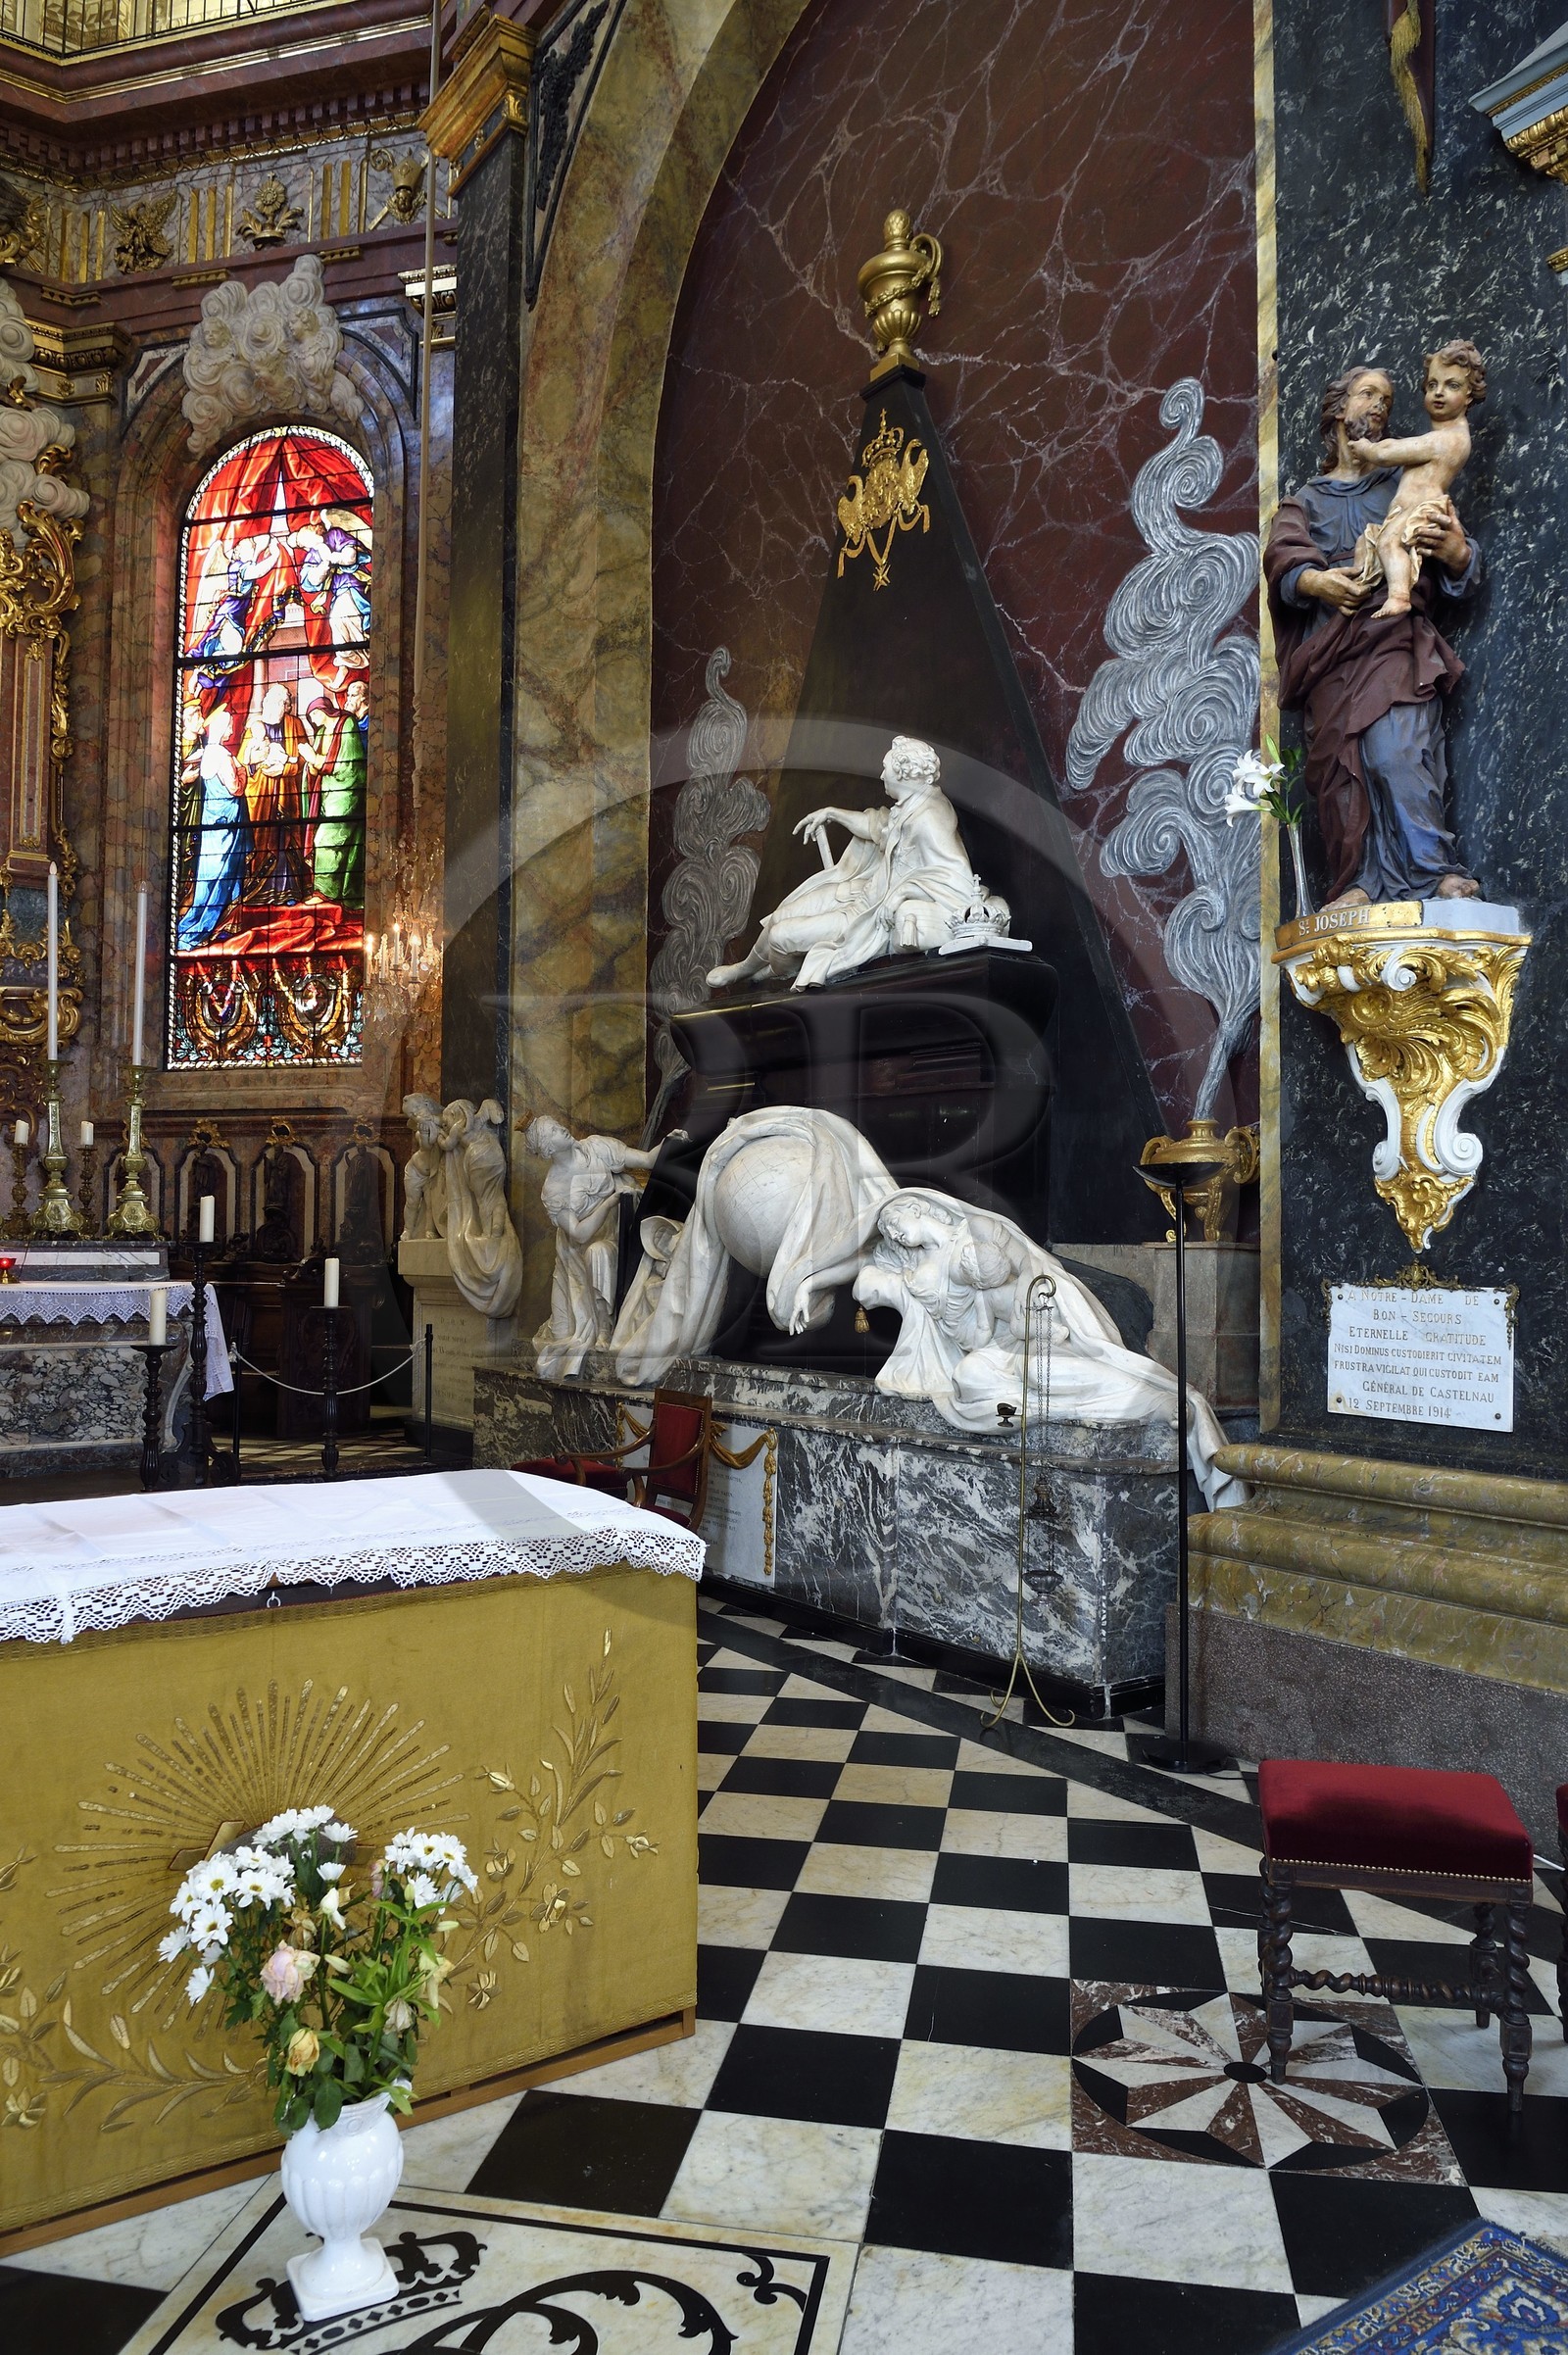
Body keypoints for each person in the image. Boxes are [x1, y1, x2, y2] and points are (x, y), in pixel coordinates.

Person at [1264, 363, 1482, 909]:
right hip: (1332, 650)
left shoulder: (1404, 480)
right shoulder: (1304, 502)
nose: (1380, 407)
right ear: (1339, 409)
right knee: (1342, 765)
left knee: (1398, 751)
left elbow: (1454, 551)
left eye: (1386, 399)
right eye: (1367, 395)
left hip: (1392, 638)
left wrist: (1457, 554)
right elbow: (1284, 562)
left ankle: (1433, 871)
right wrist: (1319, 582)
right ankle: (1357, 880)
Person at [706, 734, 996, 991]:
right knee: (782, 915)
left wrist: (901, 893)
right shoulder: (912, 804)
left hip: (866, 920)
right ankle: (744, 968)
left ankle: (773, 970)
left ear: (903, 773)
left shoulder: (929, 818)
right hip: (860, 893)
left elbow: (956, 879)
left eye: (886, 768)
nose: (881, 774)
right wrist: (833, 812)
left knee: (781, 936)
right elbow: (877, 826)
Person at [1354, 340, 1486, 619]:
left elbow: (1391, 451)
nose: (1438, 393)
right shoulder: (1441, 436)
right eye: (1432, 385)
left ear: (1469, 396)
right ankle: (1359, 589)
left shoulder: (1449, 439)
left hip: (1422, 510)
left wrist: (1368, 449)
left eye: (1452, 386)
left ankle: (1399, 597)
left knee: (1390, 543)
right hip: (1406, 509)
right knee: (1370, 544)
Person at [176, 706, 249, 948]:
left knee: (208, 874)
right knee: (224, 873)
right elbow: (235, 788)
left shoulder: (207, 753)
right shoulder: (223, 757)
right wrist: (244, 772)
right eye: (228, 725)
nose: (231, 728)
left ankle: (197, 920)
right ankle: (211, 925)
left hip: (211, 821)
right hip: (226, 823)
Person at [238, 680, 307, 906]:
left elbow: (302, 759)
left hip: (287, 792)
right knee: (261, 839)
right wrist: (258, 766)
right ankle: (257, 893)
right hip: (260, 794)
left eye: (281, 703)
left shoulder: (295, 725)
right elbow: (243, 764)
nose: (276, 706)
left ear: (287, 706)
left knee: (285, 840)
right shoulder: (254, 729)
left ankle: (288, 892)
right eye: (272, 702)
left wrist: (285, 768)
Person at [300, 678, 368, 906]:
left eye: (314, 715)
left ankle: (325, 893)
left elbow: (347, 764)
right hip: (328, 795)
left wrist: (313, 758)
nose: (313, 720)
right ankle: (330, 891)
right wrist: (310, 763)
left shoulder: (346, 724)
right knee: (328, 839)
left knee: (326, 839)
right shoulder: (321, 733)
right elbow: (318, 767)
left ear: (323, 710)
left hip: (347, 792)